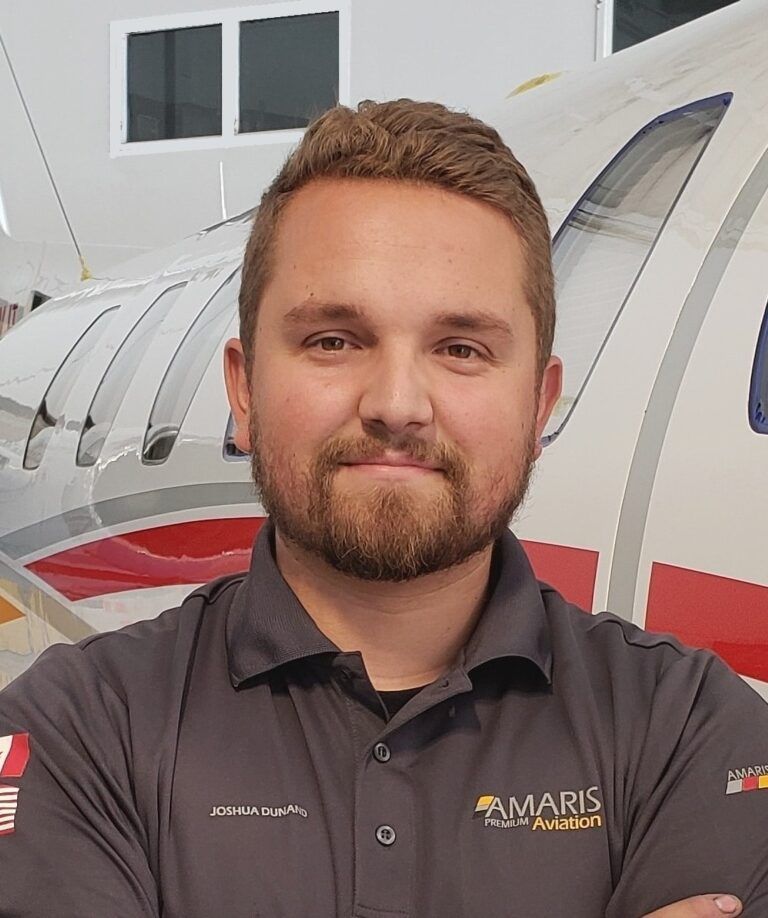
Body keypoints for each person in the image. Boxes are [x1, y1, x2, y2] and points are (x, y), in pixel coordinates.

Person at [0, 100, 765, 918]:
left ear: (539, 405)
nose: (398, 404)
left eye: (461, 348)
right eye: (333, 339)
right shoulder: (71, 730)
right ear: (244, 389)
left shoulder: (698, 733)